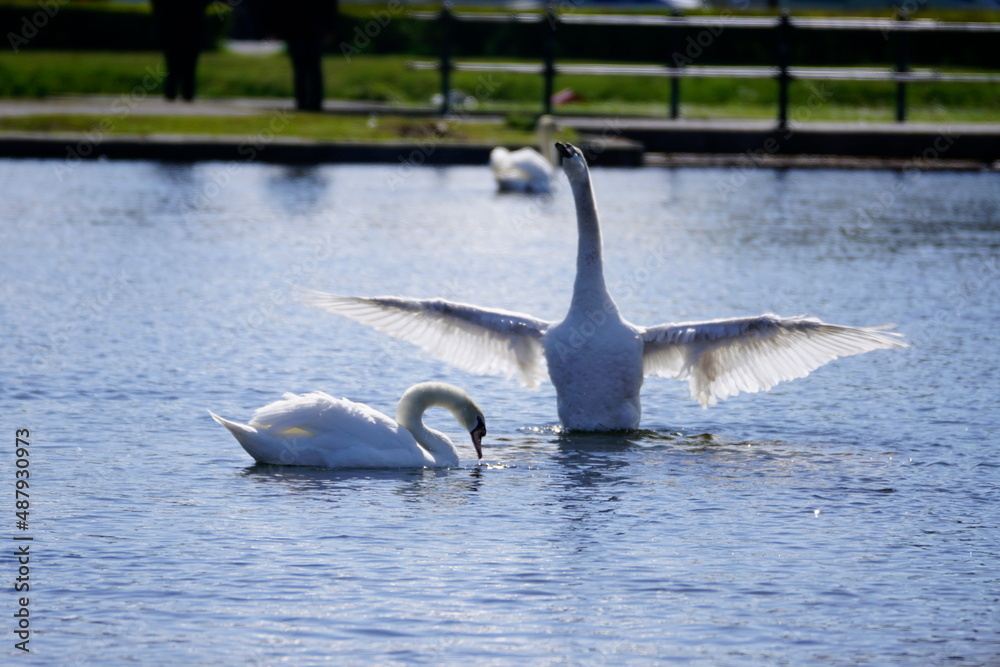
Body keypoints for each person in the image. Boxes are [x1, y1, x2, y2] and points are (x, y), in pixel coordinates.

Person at [264, 0, 338, 112]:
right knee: (304, 68)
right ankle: (305, 103)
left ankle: (312, 103)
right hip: (301, 28)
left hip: (308, 28)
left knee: (310, 68)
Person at [151, 0, 212, 102]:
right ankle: (187, 92)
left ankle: (172, 92)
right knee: (189, 63)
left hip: (170, 26)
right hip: (192, 26)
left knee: (172, 63)